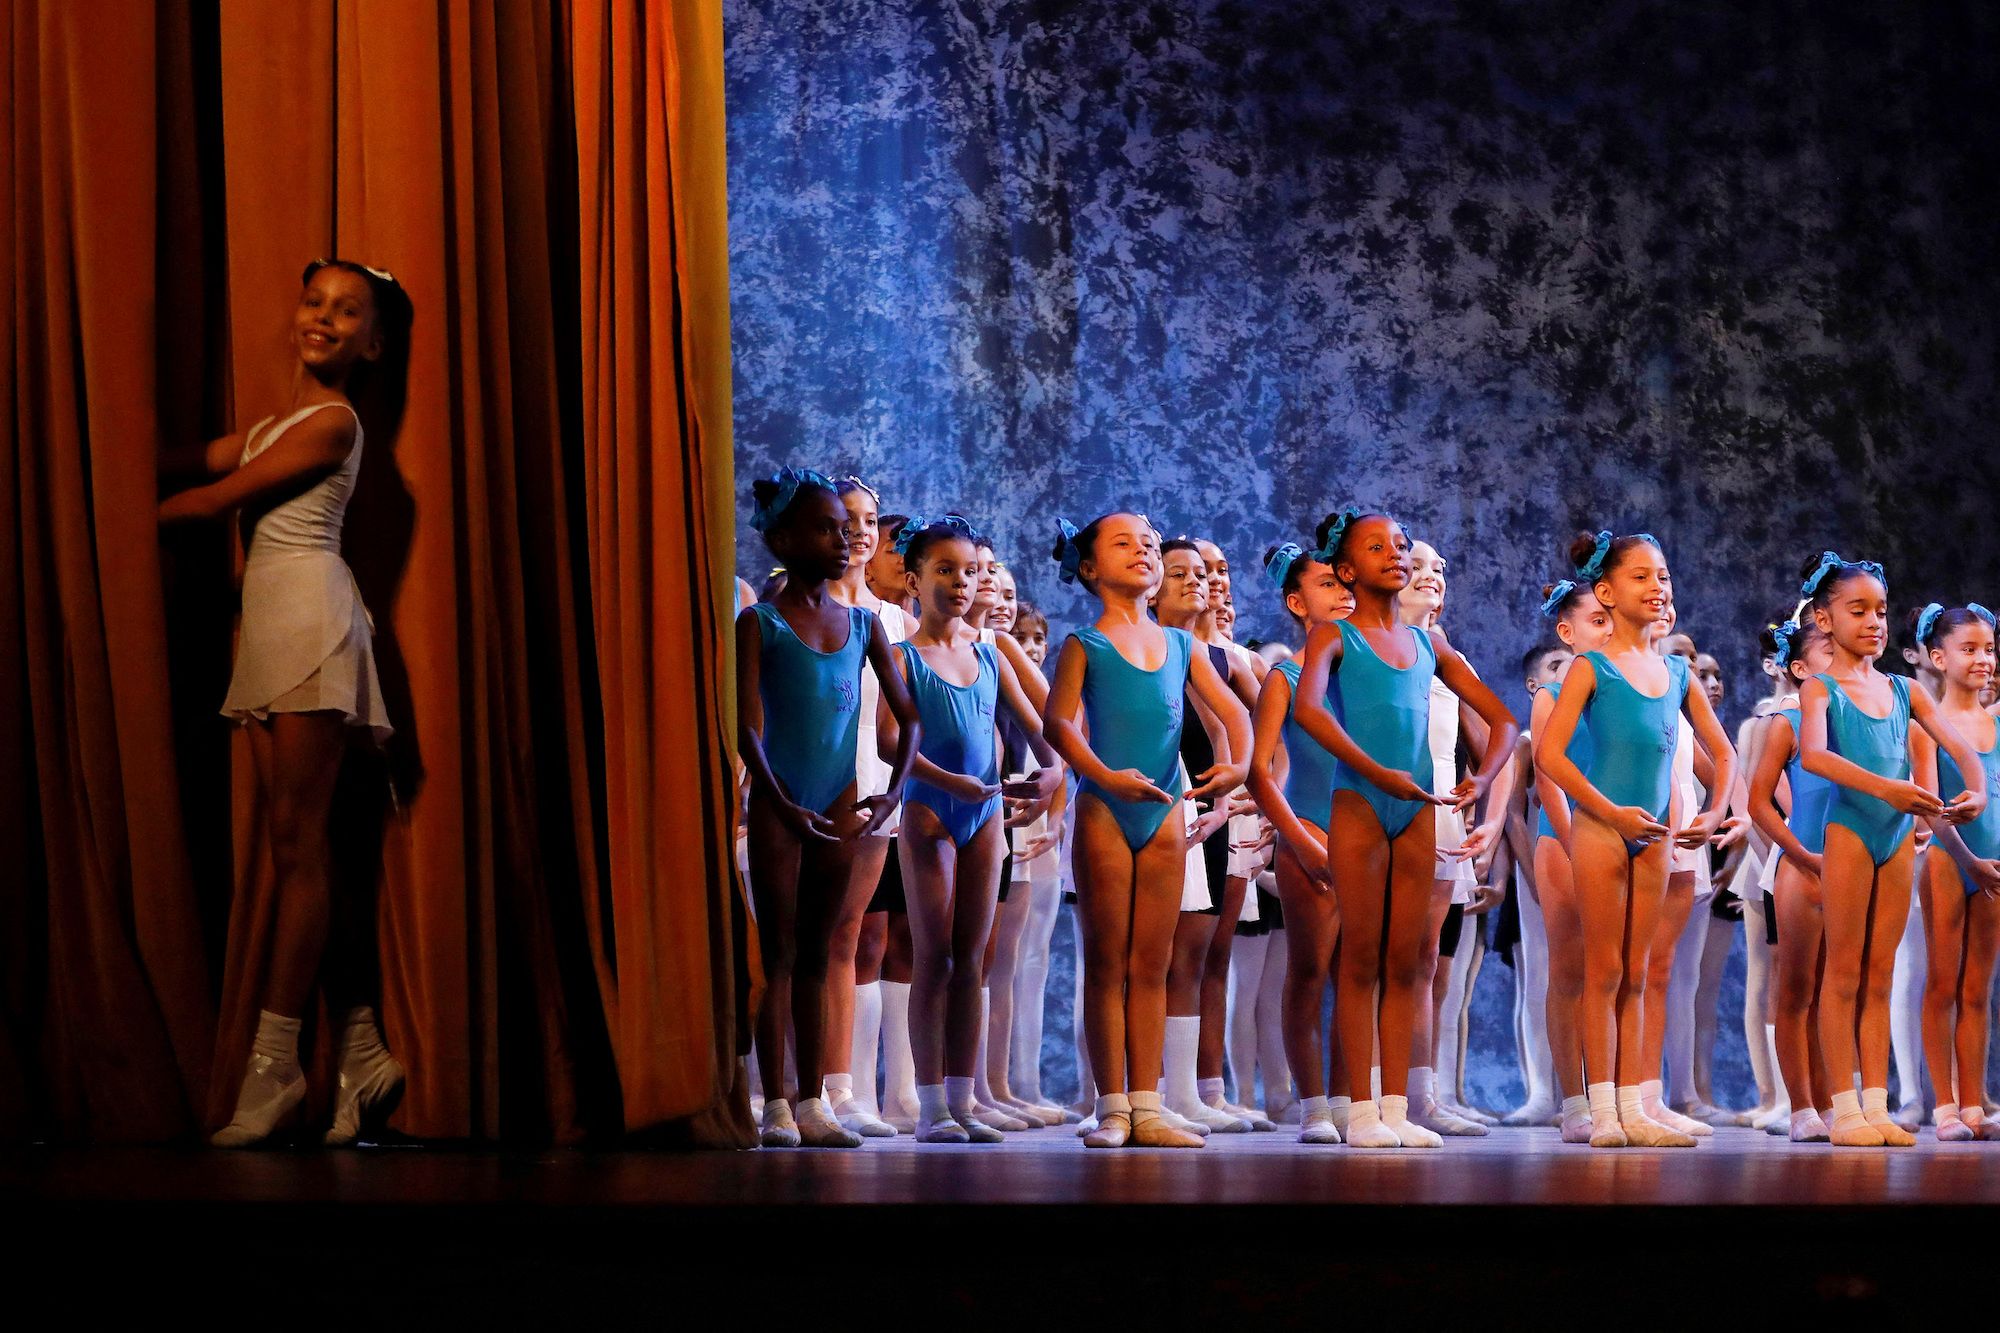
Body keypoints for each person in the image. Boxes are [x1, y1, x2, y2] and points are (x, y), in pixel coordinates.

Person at [161, 258, 411, 1148]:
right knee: (298, 845)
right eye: (314, 300)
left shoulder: (333, 423)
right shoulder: (276, 423)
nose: (324, 318)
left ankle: (273, 1068)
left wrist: (110, 517)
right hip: (269, 622)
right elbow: (186, 461)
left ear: (372, 343)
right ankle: (359, 1048)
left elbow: (215, 498)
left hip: (307, 615)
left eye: (348, 312)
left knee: (298, 848)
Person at [1290, 509, 1519, 1148]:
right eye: (1377, 547)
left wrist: (1481, 780)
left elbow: (1503, 722)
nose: (1396, 554)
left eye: (1400, 545)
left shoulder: (1429, 645)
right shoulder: (1335, 637)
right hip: (1360, 805)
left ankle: (1395, 1109)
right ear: (1345, 569)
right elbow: (1307, 710)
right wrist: (1374, 771)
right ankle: (1360, 1111)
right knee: (1359, 959)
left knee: (1404, 962)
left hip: (1420, 810)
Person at [1042, 514, 1250, 1147]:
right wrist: (1105, 776)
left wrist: (1237, 766)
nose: (1144, 552)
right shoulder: (1085, 643)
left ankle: (1150, 1105)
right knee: (1107, 962)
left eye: (1151, 545)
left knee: (1153, 963)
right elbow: (1059, 724)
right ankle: (1111, 1106)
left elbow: (1238, 713)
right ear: (1089, 568)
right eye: (1124, 543)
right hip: (1106, 809)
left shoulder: (1182, 646)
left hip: (1163, 813)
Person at [736, 468, 921, 1148]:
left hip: (841, 804)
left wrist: (895, 787)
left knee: (821, 950)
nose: (843, 540)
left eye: (848, 529)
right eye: (826, 528)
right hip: (783, 805)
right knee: (779, 953)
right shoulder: (759, 622)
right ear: (782, 537)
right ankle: (776, 1099)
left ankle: (815, 1099)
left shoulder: (865, 623)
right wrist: (778, 799)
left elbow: (909, 715)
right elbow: (746, 725)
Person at [1536, 530, 1736, 1148]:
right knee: (1603, 970)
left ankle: (1633, 1107)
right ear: (1606, 591)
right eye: (1642, 576)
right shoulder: (1589, 669)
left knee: (1638, 971)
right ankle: (1603, 1113)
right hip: (1602, 830)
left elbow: (1722, 755)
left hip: (1657, 836)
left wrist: (1713, 815)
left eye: (1664, 576)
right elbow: (1550, 756)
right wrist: (1608, 812)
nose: (1658, 587)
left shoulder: (1676, 671)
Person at [880, 516, 1061, 1142]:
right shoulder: (903, 656)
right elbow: (887, 739)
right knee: (934, 956)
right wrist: (949, 782)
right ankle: (930, 1105)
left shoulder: (989, 653)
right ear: (915, 579)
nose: (962, 583)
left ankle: (963, 1101)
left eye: (972, 571)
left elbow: (1045, 727)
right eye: (945, 570)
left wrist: (1054, 773)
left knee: (973, 961)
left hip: (985, 817)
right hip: (931, 812)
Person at [1795, 553, 1986, 1146]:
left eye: (1880, 610)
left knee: (1879, 975)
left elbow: (1960, 743)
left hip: (1898, 836)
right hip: (1851, 829)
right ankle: (1844, 1108)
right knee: (1844, 972)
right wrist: (1887, 788)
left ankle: (1876, 1104)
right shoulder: (1821, 686)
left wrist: (1975, 790)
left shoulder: (1903, 689)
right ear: (1825, 621)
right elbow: (1815, 756)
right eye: (1858, 611)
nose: (1874, 621)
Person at [1245, 543, 1354, 1143]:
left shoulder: (1368, 674)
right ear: (1296, 602)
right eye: (1326, 585)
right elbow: (1261, 770)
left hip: (1366, 834)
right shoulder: (1284, 677)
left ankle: (1347, 1100)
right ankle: (1312, 1104)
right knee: (1310, 971)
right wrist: (1301, 843)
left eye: (1346, 583)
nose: (1342, 593)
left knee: (1359, 974)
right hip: (1310, 828)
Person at [1907, 603, 2000, 1141]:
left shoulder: (1996, 722)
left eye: (1988, 648)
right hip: (1950, 861)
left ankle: (1972, 1102)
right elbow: (1928, 806)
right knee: (1942, 983)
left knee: (1978, 990)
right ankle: (1942, 1104)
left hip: (1993, 869)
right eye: (1969, 649)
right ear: (1938, 658)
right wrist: (1970, 862)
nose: (1983, 658)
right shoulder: (1926, 728)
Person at [1526, 580, 1612, 1141]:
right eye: (1597, 620)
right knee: (1571, 969)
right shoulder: (1552, 696)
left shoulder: (1631, 688)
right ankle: (1573, 1099)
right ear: (1569, 632)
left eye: (1612, 619)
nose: (1607, 628)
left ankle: (1621, 1091)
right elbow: (1548, 774)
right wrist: (1576, 842)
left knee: (1618, 969)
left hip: (1622, 838)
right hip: (1564, 841)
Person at [1747, 613, 1838, 1140]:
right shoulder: (1787, 721)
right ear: (1799, 668)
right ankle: (1799, 1106)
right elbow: (1759, 801)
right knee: (1797, 989)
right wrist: (1800, 853)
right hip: (1801, 865)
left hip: (1850, 866)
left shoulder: (1861, 712)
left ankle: (1833, 1103)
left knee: (1837, 990)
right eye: (1827, 652)